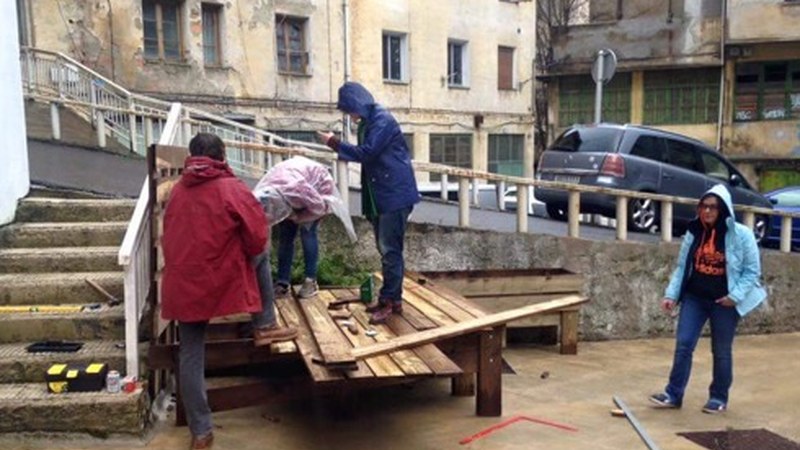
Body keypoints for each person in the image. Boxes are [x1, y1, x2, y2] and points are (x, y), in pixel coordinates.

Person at [161, 133, 298, 449]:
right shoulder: (232, 188)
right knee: (262, 252)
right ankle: (264, 324)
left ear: (192, 157)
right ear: (222, 156)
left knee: (190, 353)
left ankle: (201, 432)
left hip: (182, 284)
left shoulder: (178, 191)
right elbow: (255, 237)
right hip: (217, 278)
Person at [649, 184, 766, 414]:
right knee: (684, 344)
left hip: (724, 302)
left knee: (721, 350)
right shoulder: (695, 232)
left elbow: (752, 271)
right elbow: (683, 266)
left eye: (713, 207)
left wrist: (735, 297)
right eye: (704, 206)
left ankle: (718, 397)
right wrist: (671, 294)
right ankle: (673, 394)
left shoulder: (741, 235)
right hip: (695, 298)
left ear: (723, 209)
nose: (708, 211)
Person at [317, 81, 420, 324]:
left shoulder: (382, 120)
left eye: (349, 110)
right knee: (386, 250)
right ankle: (390, 299)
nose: (350, 116)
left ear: (357, 104)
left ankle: (391, 301)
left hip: (393, 195)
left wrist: (334, 143)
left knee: (390, 251)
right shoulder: (369, 121)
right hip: (382, 195)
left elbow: (367, 153)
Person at [252, 156, 353, 299]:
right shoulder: (264, 191)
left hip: (316, 189)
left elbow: (318, 207)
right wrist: (288, 215)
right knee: (286, 236)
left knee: (308, 233)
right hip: (291, 189)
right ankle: (282, 282)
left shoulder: (298, 189)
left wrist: (298, 216)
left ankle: (310, 281)